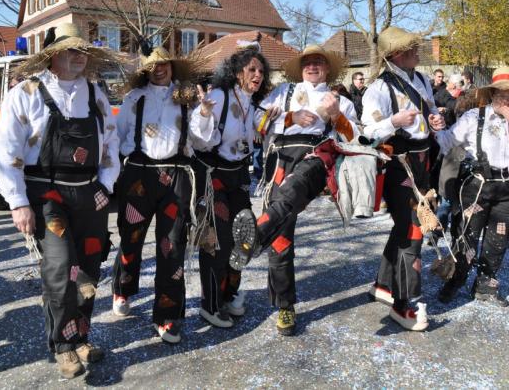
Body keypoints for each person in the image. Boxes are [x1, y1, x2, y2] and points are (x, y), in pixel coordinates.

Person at [0, 23, 121, 379]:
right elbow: (5, 150)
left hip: (89, 192)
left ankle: (81, 337)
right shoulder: (26, 93)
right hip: (47, 194)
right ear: (53, 55)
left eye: (82, 51)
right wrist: (18, 202)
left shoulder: (95, 94)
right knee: (62, 269)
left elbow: (111, 144)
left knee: (89, 269)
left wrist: (106, 185)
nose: (78, 57)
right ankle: (63, 346)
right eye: (70, 51)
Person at [230, 44, 359, 336]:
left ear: (327, 68)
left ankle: (256, 234)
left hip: (316, 156)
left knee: (294, 189)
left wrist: (336, 116)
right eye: (307, 62)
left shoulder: (339, 99)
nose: (312, 66)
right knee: (281, 236)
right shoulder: (283, 92)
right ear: (301, 68)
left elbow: (354, 137)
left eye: (318, 62)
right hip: (280, 156)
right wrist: (291, 118)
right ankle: (285, 305)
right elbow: (257, 122)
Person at [111, 45, 202, 343]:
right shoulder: (134, 98)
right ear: (145, 71)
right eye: (152, 66)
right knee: (131, 237)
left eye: (164, 64)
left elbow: (202, 140)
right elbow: (118, 137)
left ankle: (167, 315)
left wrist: (204, 112)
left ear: (172, 67)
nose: (158, 69)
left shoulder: (187, 97)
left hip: (176, 175)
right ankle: (122, 288)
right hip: (139, 173)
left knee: (172, 245)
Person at [435, 66, 509, 306]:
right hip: (477, 187)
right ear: (493, 93)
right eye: (503, 94)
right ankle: (455, 280)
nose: (508, 100)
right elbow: (447, 142)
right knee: (466, 236)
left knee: (498, 240)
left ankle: (485, 286)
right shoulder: (474, 117)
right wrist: (436, 127)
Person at [361, 26, 445, 331]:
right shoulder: (378, 88)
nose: (417, 52)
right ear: (396, 54)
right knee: (413, 227)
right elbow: (368, 133)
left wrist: (435, 119)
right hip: (399, 165)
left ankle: (384, 285)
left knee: (404, 226)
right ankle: (405, 303)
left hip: (424, 162)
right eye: (412, 48)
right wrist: (394, 121)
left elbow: (431, 112)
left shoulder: (420, 79)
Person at [190, 42, 272, 328]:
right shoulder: (219, 96)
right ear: (237, 72)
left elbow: (259, 133)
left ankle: (229, 292)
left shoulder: (253, 103)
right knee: (217, 241)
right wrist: (203, 114)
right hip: (213, 175)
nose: (257, 75)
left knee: (243, 236)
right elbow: (198, 138)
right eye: (251, 69)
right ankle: (211, 304)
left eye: (261, 71)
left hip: (238, 176)